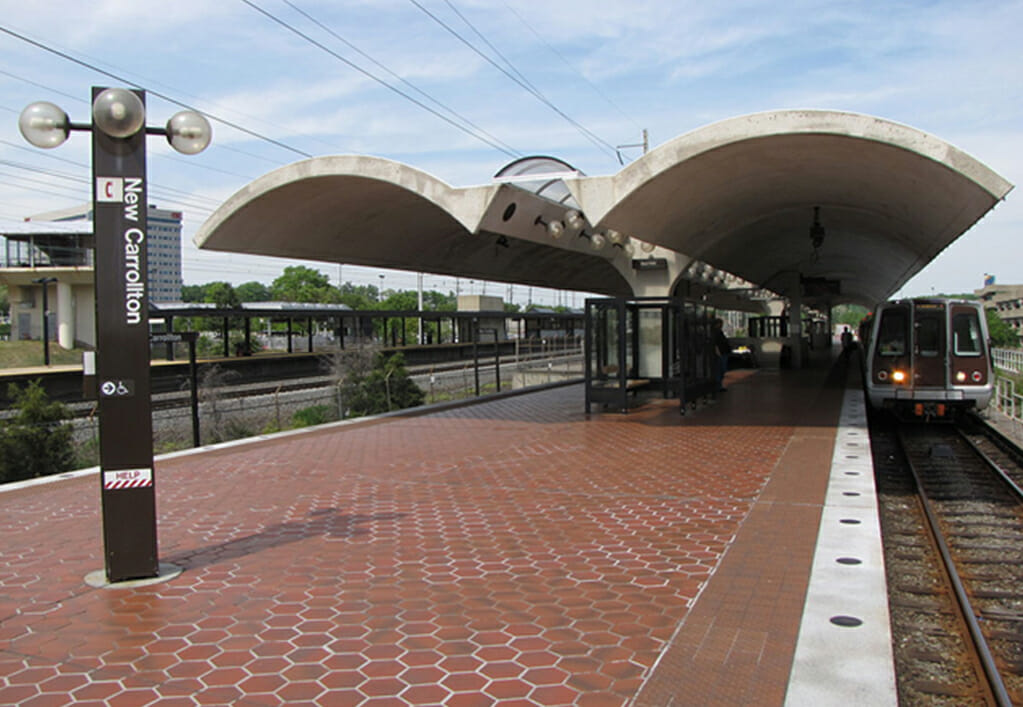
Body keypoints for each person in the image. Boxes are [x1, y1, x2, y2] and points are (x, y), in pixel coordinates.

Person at [712, 318, 730, 392]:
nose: (721, 325)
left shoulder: (718, 332)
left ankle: (719, 385)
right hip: (721, 353)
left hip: (722, 353)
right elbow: (715, 344)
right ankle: (719, 385)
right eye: (720, 323)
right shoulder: (717, 333)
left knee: (721, 369)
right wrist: (718, 353)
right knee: (721, 369)